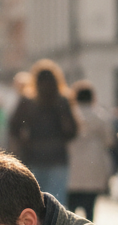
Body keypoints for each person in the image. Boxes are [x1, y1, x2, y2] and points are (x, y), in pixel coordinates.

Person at [8, 59, 78, 206]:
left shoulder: (27, 101)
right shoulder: (62, 100)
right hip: (58, 155)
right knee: (57, 202)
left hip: (33, 155)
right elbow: (73, 130)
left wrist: (25, 140)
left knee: (35, 200)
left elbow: (13, 126)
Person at [66, 81, 115, 221]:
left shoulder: (70, 115)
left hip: (72, 166)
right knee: (90, 209)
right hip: (94, 165)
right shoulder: (100, 116)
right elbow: (110, 140)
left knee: (70, 210)